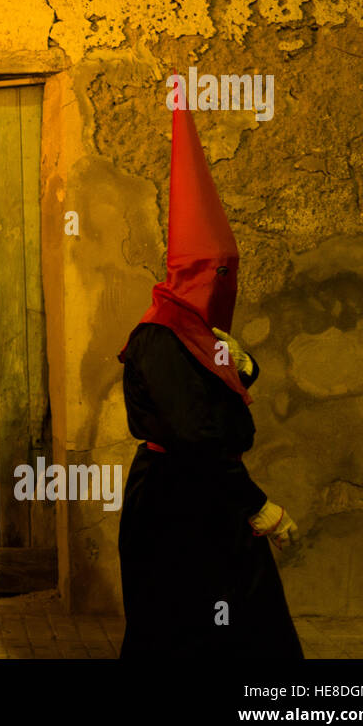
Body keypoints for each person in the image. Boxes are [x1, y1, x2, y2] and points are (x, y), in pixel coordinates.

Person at [117, 95, 302, 659]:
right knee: (184, 629)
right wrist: (257, 503)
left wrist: (243, 362)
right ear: (195, 274)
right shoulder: (162, 337)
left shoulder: (195, 334)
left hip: (207, 500)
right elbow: (197, 435)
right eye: (219, 273)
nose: (226, 284)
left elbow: (222, 399)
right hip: (177, 507)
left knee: (242, 627)